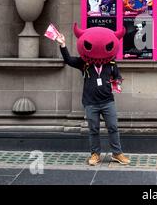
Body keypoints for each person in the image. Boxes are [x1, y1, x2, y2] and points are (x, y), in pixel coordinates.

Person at [56, 27, 130, 166]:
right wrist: (63, 44)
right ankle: (95, 154)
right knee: (93, 129)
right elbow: (68, 60)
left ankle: (117, 153)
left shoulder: (111, 63)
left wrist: (117, 82)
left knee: (113, 127)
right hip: (91, 102)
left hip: (108, 101)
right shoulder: (84, 63)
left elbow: (117, 77)